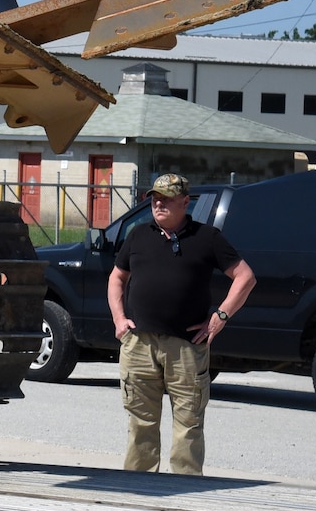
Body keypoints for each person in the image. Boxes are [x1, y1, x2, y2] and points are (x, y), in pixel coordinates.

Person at [108, 173, 256, 475]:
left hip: (186, 348)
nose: (159, 203)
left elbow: (245, 277)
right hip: (139, 344)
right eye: (155, 197)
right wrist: (119, 319)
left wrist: (220, 318)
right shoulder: (138, 235)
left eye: (167, 198)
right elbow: (116, 277)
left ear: (185, 202)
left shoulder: (207, 238)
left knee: (188, 424)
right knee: (140, 423)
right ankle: (137, 488)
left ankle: (184, 491)